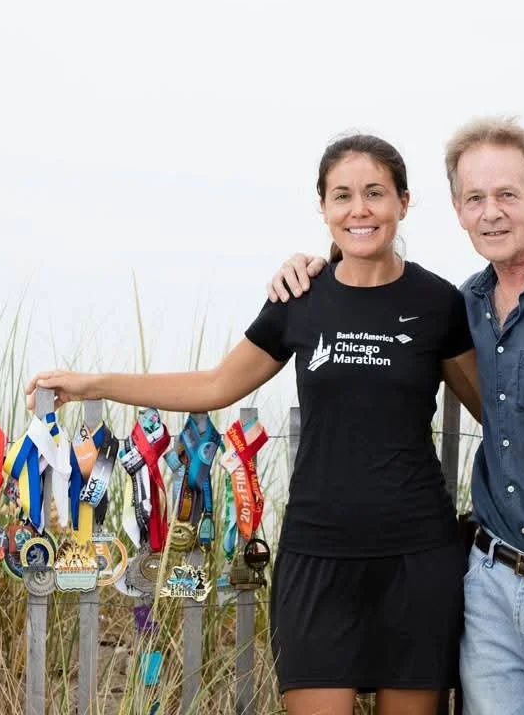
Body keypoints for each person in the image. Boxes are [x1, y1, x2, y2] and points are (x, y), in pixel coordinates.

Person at [25, 134, 481, 715]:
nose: (359, 210)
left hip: (416, 557)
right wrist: (95, 384)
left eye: (375, 193)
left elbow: (497, 415)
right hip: (318, 555)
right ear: (322, 207)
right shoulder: (299, 297)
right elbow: (216, 386)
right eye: (342, 195)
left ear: (404, 203)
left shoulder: (439, 303)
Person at [267, 117, 524, 714]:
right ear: (458, 211)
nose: (491, 212)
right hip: (489, 583)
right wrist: (316, 265)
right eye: (474, 199)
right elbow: (373, 310)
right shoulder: (464, 306)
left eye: (507, 195)